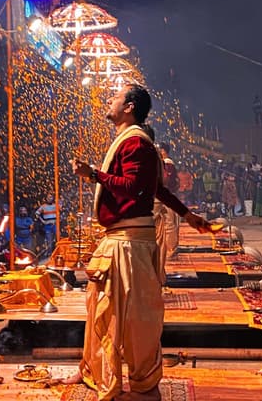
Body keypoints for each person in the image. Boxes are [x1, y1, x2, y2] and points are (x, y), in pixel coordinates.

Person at [63, 83, 210, 401]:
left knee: (136, 320)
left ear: (129, 107)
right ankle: (92, 370)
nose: (108, 100)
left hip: (129, 245)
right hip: (119, 240)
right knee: (100, 310)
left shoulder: (137, 144)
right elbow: (155, 189)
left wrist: (93, 175)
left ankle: (145, 388)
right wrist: (187, 215)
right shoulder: (128, 142)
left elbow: (133, 187)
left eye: (114, 97)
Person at [158, 142, 180, 255]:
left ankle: (171, 249)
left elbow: (166, 181)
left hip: (166, 197)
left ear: (163, 151)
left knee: (168, 222)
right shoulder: (164, 163)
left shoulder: (168, 163)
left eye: (159, 150)